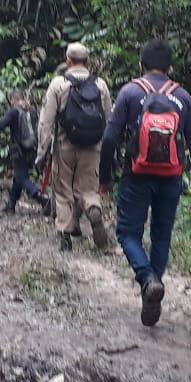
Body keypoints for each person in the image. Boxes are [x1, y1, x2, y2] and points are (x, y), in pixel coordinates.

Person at [100, 40, 191, 326]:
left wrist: (105, 178)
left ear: (141, 65)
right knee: (162, 235)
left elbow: (110, 137)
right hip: (171, 177)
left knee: (126, 233)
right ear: (169, 68)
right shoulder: (182, 96)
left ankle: (147, 280)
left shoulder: (130, 92)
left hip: (136, 176)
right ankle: (154, 283)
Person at [37, 42, 112, 251]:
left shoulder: (58, 84)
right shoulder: (100, 85)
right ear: (87, 61)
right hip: (93, 146)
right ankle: (94, 209)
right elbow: (109, 118)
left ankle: (65, 235)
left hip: (65, 145)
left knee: (62, 190)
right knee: (88, 188)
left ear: (68, 60)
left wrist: (42, 151)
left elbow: (46, 121)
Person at [0, 89, 50, 215]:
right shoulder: (32, 110)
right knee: (18, 178)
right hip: (32, 149)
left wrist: (9, 120)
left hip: (19, 150)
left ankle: (42, 198)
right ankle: (11, 206)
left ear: (12, 100)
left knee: (21, 177)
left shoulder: (14, 111)